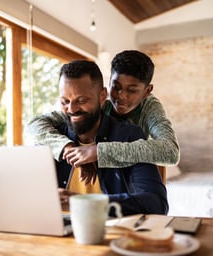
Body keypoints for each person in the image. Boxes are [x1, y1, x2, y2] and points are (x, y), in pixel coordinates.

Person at [25, 50, 179, 184]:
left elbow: (170, 151)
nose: (121, 96)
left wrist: (99, 152)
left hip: (132, 177)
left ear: (147, 91)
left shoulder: (150, 107)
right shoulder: (100, 103)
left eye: (131, 90)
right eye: (116, 87)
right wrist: (69, 148)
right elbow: (35, 125)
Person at [44, 60, 168, 216]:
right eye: (65, 101)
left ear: (103, 95)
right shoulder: (51, 139)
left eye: (81, 101)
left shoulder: (129, 137)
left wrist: (86, 204)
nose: (72, 109)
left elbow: (156, 203)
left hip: (112, 235)